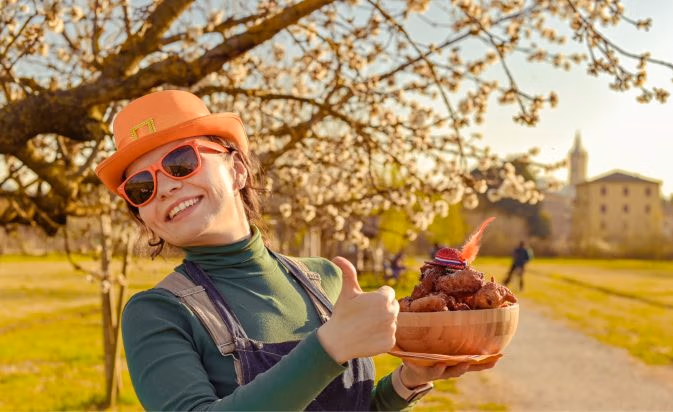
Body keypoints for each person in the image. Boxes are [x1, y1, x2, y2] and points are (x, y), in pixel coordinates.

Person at [94, 90, 500, 411]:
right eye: (141, 188)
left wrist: (408, 380)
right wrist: (330, 347)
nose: (164, 186)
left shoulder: (325, 279)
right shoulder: (157, 313)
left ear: (238, 169)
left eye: (181, 161)